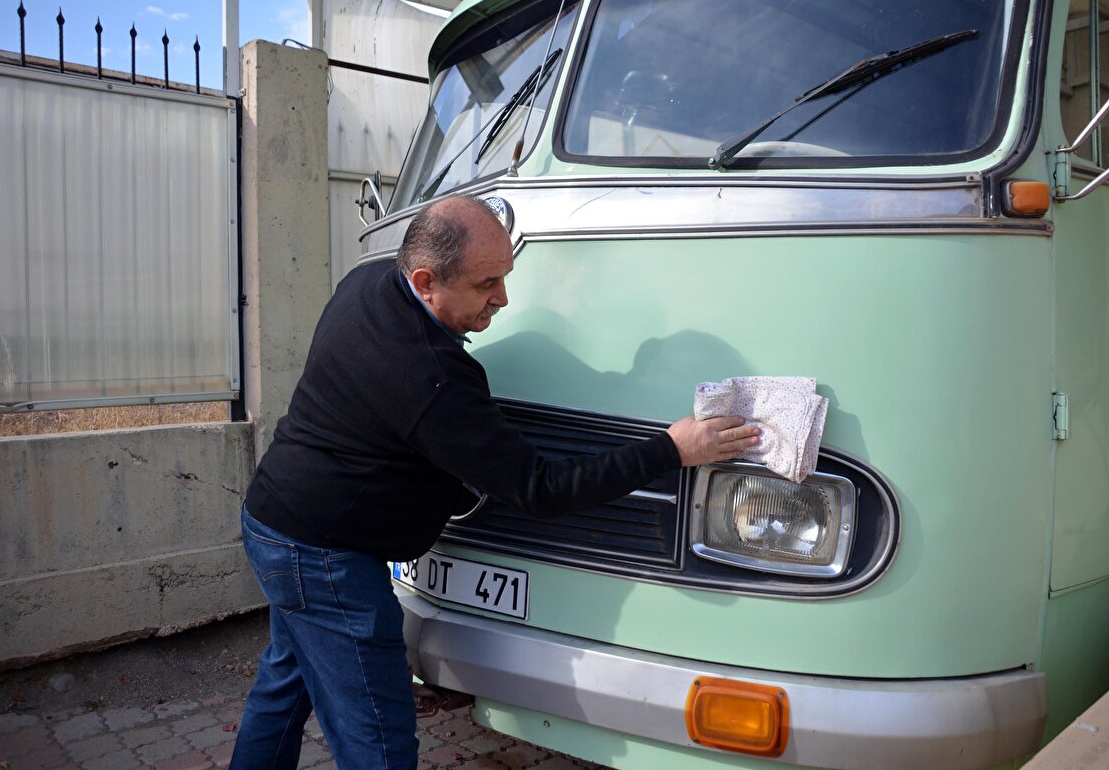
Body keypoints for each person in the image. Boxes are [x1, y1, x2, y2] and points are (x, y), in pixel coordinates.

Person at [230, 195, 759, 769]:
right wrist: (670, 449)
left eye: (505, 277)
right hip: (327, 560)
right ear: (427, 280)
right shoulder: (430, 375)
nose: (502, 300)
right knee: (377, 742)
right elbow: (541, 489)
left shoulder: (367, 283)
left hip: (274, 522)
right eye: (487, 284)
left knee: (284, 689)